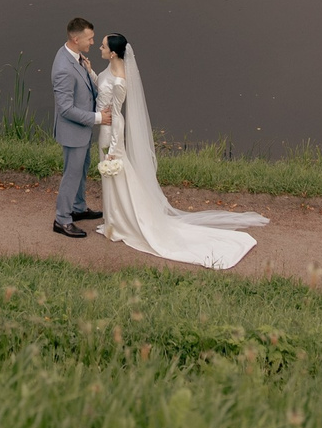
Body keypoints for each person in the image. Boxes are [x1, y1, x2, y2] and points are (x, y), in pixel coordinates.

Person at [94, 32, 266, 269]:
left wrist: (114, 148)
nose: (100, 48)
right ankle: (113, 220)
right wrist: (90, 71)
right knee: (114, 179)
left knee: (115, 175)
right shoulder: (110, 68)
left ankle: (121, 223)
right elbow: (101, 85)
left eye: (103, 46)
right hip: (104, 127)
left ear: (113, 53)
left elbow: (116, 115)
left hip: (110, 131)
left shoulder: (121, 81)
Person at [51, 17, 109, 238]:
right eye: (90, 38)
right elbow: (65, 109)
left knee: (81, 170)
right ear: (76, 39)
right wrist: (98, 118)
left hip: (82, 131)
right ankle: (62, 220)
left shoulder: (75, 57)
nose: (93, 42)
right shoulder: (63, 68)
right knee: (72, 175)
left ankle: (78, 207)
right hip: (73, 133)